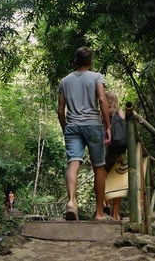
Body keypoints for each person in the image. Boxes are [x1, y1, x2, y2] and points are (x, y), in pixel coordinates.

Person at [57, 46, 111, 221]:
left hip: (72, 126)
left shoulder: (65, 81)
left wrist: (66, 128)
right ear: (91, 62)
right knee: (99, 167)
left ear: (76, 61)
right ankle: (99, 213)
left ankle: (72, 202)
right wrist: (107, 125)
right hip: (93, 125)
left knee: (73, 162)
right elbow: (102, 99)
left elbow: (60, 110)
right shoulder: (96, 77)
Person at [103, 92, 127, 220]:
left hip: (110, 154)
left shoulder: (104, 116)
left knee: (109, 182)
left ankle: (109, 208)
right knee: (117, 184)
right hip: (120, 156)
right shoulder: (120, 113)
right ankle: (115, 213)